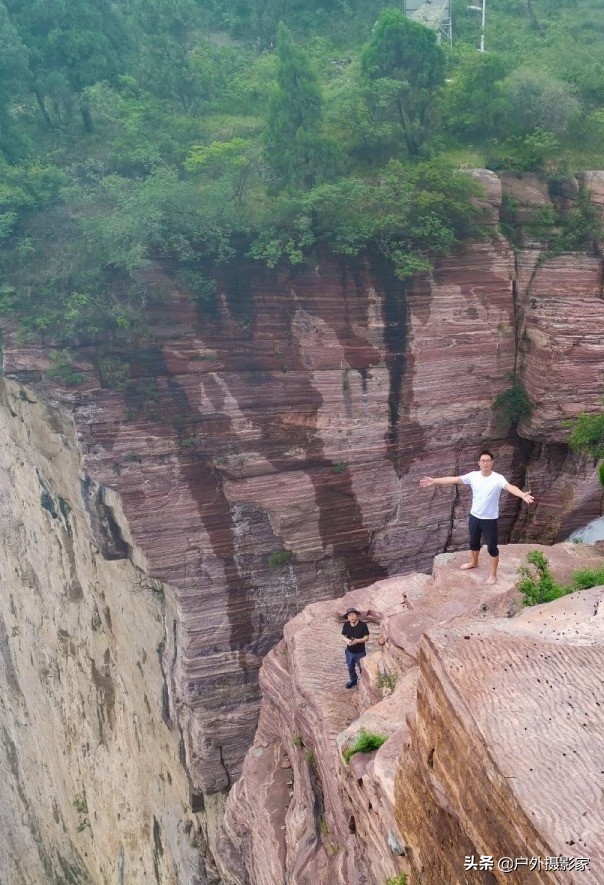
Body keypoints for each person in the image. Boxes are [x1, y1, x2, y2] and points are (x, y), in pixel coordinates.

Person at [419, 449, 535, 585]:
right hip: (474, 516)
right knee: (474, 543)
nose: (485, 463)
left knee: (492, 548)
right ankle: (474, 562)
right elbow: (453, 479)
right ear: (479, 463)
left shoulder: (498, 478)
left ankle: (493, 574)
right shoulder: (473, 476)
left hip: (490, 519)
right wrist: (434, 481)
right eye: (483, 461)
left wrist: (522, 495)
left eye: (488, 461)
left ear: (492, 463)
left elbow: (510, 487)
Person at [341, 608, 369, 689]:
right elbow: (342, 636)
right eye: (349, 615)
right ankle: (353, 681)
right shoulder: (346, 625)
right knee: (350, 667)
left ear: (357, 615)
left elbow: (366, 638)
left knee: (362, 668)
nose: (352, 617)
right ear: (347, 617)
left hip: (360, 652)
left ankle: (364, 682)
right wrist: (346, 640)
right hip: (349, 651)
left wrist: (358, 641)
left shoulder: (363, 625)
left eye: (353, 614)